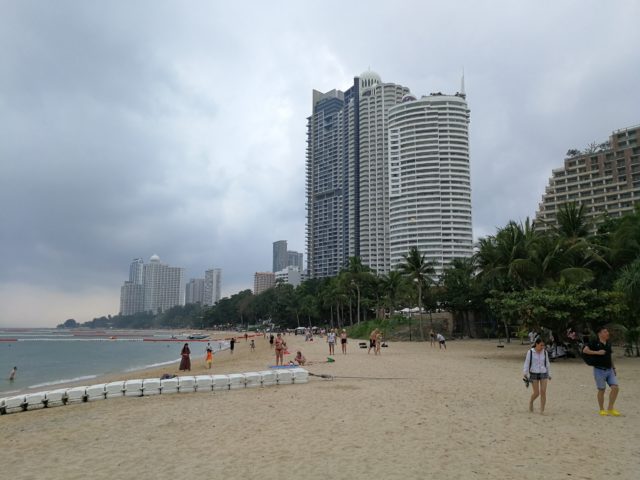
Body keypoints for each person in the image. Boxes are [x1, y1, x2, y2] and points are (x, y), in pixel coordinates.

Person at [582, 326, 621, 416]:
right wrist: (597, 352)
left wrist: (613, 368)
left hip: (609, 370)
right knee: (602, 390)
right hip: (599, 370)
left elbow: (609, 356)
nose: (607, 333)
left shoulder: (608, 343)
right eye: (605, 332)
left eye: (607, 331)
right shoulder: (594, 342)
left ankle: (610, 408)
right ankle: (602, 409)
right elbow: (585, 350)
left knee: (615, 388)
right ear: (599, 333)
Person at [522, 338, 551, 414]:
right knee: (536, 393)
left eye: (543, 345)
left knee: (543, 392)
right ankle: (531, 401)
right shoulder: (530, 352)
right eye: (541, 345)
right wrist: (525, 373)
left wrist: (549, 374)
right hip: (534, 373)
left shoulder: (545, 352)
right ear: (536, 344)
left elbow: (547, 363)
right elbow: (527, 362)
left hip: (543, 373)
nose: (542, 347)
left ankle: (542, 410)